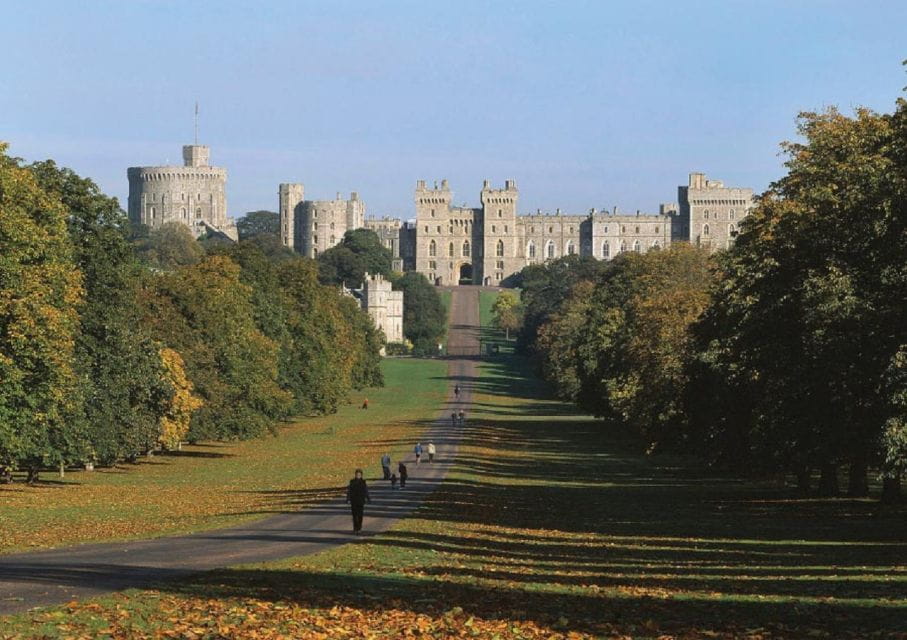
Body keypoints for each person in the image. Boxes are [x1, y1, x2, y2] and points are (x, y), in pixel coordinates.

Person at [345, 468, 371, 533]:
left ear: (361, 475)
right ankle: (355, 528)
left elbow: (366, 491)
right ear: (355, 475)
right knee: (354, 516)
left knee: (360, 515)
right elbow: (349, 491)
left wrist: (368, 498)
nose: (358, 475)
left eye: (359, 474)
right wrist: (347, 499)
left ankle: (359, 528)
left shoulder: (363, 482)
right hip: (353, 500)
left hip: (361, 501)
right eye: (357, 474)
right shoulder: (352, 481)